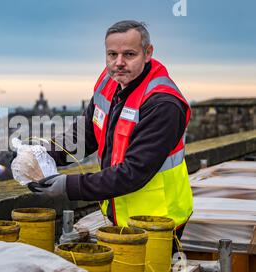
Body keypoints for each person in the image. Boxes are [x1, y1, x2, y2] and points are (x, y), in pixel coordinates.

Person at [27, 20, 193, 247]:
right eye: (112, 54)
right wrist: (43, 154)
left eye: (129, 54)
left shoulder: (162, 104)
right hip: (120, 216)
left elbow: (133, 172)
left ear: (148, 53)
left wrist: (69, 186)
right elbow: (85, 135)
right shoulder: (109, 83)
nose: (119, 63)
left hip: (159, 222)